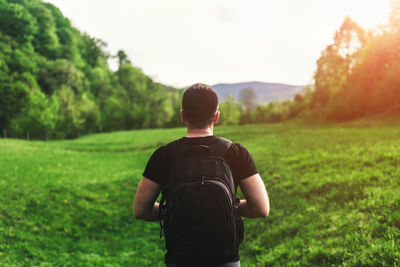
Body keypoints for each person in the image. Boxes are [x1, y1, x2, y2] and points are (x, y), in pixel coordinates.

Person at [134, 83, 269, 266]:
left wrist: (172, 211)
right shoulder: (236, 152)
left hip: (180, 259)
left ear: (182, 115)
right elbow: (260, 208)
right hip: (225, 260)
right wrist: (231, 207)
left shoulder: (164, 155)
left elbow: (141, 210)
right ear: (216, 116)